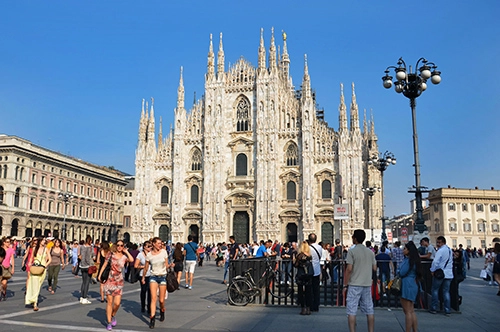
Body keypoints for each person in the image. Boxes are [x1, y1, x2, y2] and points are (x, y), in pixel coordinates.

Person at [343, 229, 377, 332]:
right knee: (369, 310)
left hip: (354, 284)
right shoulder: (370, 252)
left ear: (355, 239)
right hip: (366, 284)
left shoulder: (352, 251)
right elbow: (375, 268)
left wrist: (345, 285)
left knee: (352, 311)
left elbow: (349, 269)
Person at [97, 240, 134, 331]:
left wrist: (126, 251)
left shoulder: (124, 257)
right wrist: (99, 275)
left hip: (119, 281)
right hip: (110, 279)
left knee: (117, 303)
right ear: (115, 246)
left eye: (121, 245)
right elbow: (105, 264)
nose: (120, 247)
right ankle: (109, 322)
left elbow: (132, 260)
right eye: (118, 245)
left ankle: (113, 315)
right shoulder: (110, 254)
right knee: (109, 302)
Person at [142, 237, 173, 329]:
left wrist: (170, 265)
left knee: (161, 300)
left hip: (163, 276)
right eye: (159, 243)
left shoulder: (164, 252)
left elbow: (166, 265)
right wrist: (143, 277)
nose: (161, 245)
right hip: (153, 277)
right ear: (154, 244)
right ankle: (152, 318)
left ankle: (162, 310)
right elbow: (146, 267)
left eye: (161, 243)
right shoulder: (149, 255)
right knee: (153, 298)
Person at [398, 241, 422, 332]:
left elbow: (402, 272)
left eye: (405, 249)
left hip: (406, 284)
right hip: (413, 283)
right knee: (411, 310)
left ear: (408, 250)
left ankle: (408, 330)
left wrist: (398, 271)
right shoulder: (416, 260)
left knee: (407, 311)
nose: (403, 250)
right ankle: (414, 330)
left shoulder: (408, 261)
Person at [429, 236, 453, 316]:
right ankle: (447, 309)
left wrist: (432, 270)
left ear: (443, 242)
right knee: (446, 292)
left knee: (435, 290)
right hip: (449, 274)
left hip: (440, 273)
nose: (438, 244)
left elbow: (435, 262)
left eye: (439, 242)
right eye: (437, 242)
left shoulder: (440, 251)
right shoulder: (450, 250)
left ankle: (434, 308)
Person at [25, 237, 51, 311]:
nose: (44, 242)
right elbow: (31, 259)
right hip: (35, 267)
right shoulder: (34, 249)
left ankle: (32, 299)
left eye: (45, 241)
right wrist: (29, 264)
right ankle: (35, 303)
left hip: (42, 268)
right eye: (43, 240)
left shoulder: (46, 249)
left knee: (38, 285)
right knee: (34, 285)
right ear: (40, 241)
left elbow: (50, 259)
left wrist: (45, 266)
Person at [295, 240, 313, 315]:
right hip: (308, 275)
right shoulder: (309, 256)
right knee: (308, 291)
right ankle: (308, 308)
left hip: (301, 275)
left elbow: (296, 265)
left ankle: (303, 308)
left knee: (301, 292)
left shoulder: (299, 255)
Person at [134, 240, 153, 314]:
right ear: (144, 247)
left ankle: (149, 307)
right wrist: (143, 266)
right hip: (143, 275)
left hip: (151, 274)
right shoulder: (140, 255)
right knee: (144, 290)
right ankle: (142, 306)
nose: (150, 248)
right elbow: (136, 265)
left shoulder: (152, 254)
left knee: (150, 291)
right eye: (149, 246)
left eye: (151, 246)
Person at [307, 233, 322, 312]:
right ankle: (316, 306)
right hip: (317, 270)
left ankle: (310, 305)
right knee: (316, 289)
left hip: (309, 270)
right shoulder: (319, 247)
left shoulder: (308, 248)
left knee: (309, 289)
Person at [79, 235, 95, 304]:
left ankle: (82, 297)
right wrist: (92, 260)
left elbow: (81, 256)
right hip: (88, 266)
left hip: (82, 266)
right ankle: (85, 298)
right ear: (90, 241)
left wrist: (83, 263)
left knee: (83, 282)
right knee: (87, 282)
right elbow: (91, 256)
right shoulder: (90, 248)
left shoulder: (82, 247)